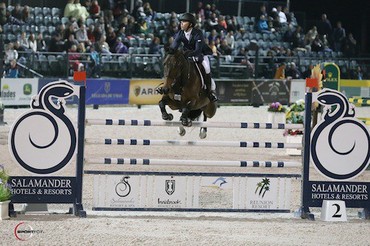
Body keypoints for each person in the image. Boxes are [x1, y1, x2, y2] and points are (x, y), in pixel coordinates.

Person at [165, 12, 218, 102]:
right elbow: (174, 45)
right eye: (181, 22)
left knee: (206, 68)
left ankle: (210, 92)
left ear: (190, 24)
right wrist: (170, 51)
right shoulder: (180, 33)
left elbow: (197, 50)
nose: (181, 23)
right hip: (187, 55)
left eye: (184, 22)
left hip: (201, 54)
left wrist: (188, 55)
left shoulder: (197, 33)